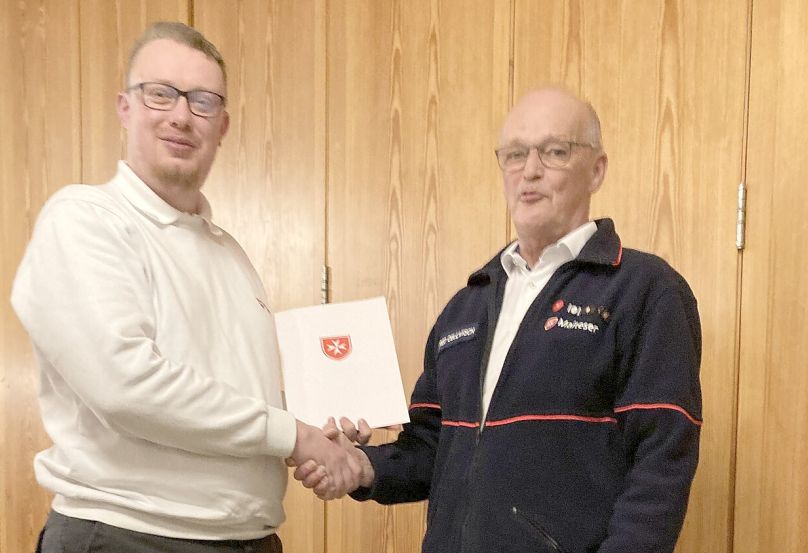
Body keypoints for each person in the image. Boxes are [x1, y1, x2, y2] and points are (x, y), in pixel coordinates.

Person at [296, 87, 703, 553]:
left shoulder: (646, 290)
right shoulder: (466, 307)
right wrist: (364, 467)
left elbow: (661, 467)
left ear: (597, 170)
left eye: (555, 151)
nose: (530, 170)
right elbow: (433, 447)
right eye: (514, 154)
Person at [12, 21, 359, 553]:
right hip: (130, 536)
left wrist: (317, 426)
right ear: (125, 108)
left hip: (249, 538)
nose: (181, 115)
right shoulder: (86, 220)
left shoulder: (229, 253)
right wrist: (294, 436)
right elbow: (126, 386)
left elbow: (238, 397)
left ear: (222, 126)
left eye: (203, 102)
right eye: (160, 94)